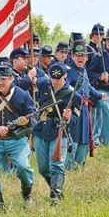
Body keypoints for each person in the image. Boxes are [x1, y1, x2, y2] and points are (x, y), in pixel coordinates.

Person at [0, 63, 36, 211]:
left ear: (11, 79)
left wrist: (26, 120)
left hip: (16, 140)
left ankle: (27, 195)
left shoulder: (22, 94)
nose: (1, 82)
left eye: (4, 79)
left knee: (23, 167)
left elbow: (34, 115)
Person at [32, 62, 82, 205]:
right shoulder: (45, 85)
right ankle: (54, 187)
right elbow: (35, 80)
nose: (55, 82)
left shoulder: (74, 95)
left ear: (65, 77)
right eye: (53, 79)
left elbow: (76, 120)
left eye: (58, 79)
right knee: (42, 168)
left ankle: (55, 195)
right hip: (42, 130)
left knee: (57, 165)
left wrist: (69, 117)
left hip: (59, 131)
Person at [66, 40, 106, 170]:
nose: (80, 58)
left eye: (83, 56)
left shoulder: (84, 71)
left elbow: (87, 86)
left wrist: (99, 95)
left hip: (84, 110)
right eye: (77, 55)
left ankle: (79, 165)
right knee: (74, 139)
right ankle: (69, 167)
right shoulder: (68, 71)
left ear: (87, 58)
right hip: (73, 110)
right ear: (72, 56)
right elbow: (66, 89)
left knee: (84, 139)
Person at [86, 23, 105, 146]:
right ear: (91, 35)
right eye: (96, 34)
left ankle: (96, 138)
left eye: (101, 34)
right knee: (92, 115)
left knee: (99, 114)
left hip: (99, 85)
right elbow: (88, 70)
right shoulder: (88, 49)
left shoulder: (99, 49)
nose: (99, 36)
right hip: (91, 84)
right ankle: (92, 138)